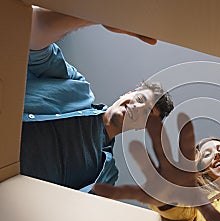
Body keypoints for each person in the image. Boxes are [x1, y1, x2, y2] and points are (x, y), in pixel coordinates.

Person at [20, 7, 174, 193]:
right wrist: (97, 15)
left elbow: (69, 210)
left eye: (147, 114)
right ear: (126, 94)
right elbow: (31, 38)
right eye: (140, 98)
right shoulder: (75, 85)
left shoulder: (106, 175)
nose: (138, 107)